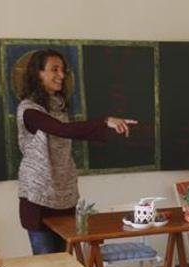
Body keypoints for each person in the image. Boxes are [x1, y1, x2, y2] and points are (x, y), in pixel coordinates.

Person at [16, 49, 137, 254]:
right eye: (54, 69)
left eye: (63, 70)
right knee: (47, 265)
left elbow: (66, 132)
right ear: (38, 74)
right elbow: (63, 130)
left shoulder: (59, 106)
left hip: (64, 194)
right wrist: (105, 121)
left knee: (65, 262)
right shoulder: (29, 110)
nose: (61, 75)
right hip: (37, 197)